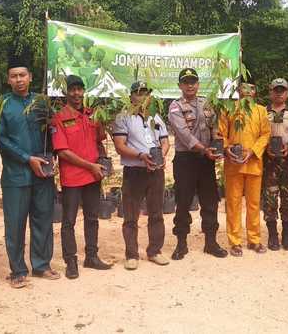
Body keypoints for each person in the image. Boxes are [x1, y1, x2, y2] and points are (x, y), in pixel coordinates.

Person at [0, 59, 60, 288]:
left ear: (30, 77)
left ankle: (42, 265)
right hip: (16, 175)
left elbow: (52, 131)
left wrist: (52, 154)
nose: (19, 80)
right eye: (14, 76)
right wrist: (26, 158)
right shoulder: (1, 104)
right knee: (14, 224)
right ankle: (17, 270)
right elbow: (1, 139)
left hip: (42, 172)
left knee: (43, 219)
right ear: (8, 80)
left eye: (22, 75)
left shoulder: (42, 102)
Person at [52, 75, 112, 278]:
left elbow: (100, 140)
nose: (76, 93)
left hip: (94, 176)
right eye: (72, 89)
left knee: (92, 218)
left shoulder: (92, 114)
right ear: (65, 92)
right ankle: (71, 262)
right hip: (73, 178)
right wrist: (90, 166)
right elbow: (62, 152)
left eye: (79, 89)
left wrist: (103, 158)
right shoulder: (59, 117)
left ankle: (92, 257)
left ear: (84, 91)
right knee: (68, 221)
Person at [167, 68, 228, 260]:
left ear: (198, 84)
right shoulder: (175, 107)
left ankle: (211, 242)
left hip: (206, 160)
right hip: (186, 160)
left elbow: (214, 127)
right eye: (186, 82)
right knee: (183, 202)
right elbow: (184, 134)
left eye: (193, 81)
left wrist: (217, 140)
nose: (190, 85)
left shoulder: (207, 104)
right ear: (180, 86)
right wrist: (204, 149)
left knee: (210, 201)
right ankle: (181, 244)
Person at [112, 81, 170, 270]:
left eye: (145, 93)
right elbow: (120, 146)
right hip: (134, 171)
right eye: (138, 93)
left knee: (156, 213)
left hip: (155, 171)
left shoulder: (156, 117)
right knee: (130, 215)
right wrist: (140, 155)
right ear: (131, 96)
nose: (142, 97)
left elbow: (165, 141)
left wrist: (162, 154)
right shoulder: (123, 117)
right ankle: (131, 254)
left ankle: (155, 251)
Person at [219, 79, 270, 256]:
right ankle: (235, 241)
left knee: (254, 204)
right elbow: (221, 134)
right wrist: (226, 149)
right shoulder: (229, 109)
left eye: (252, 88)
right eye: (244, 88)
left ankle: (254, 240)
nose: (248, 91)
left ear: (255, 92)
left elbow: (265, 134)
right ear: (239, 91)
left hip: (254, 163)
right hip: (234, 165)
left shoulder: (261, 111)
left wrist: (254, 151)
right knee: (233, 204)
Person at [261, 78, 288, 251]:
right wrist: (265, 147)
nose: (278, 93)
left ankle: (287, 235)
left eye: (282, 90)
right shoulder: (262, 112)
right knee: (269, 198)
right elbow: (257, 133)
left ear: (287, 93)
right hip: (268, 160)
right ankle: (272, 236)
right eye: (275, 90)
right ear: (270, 92)